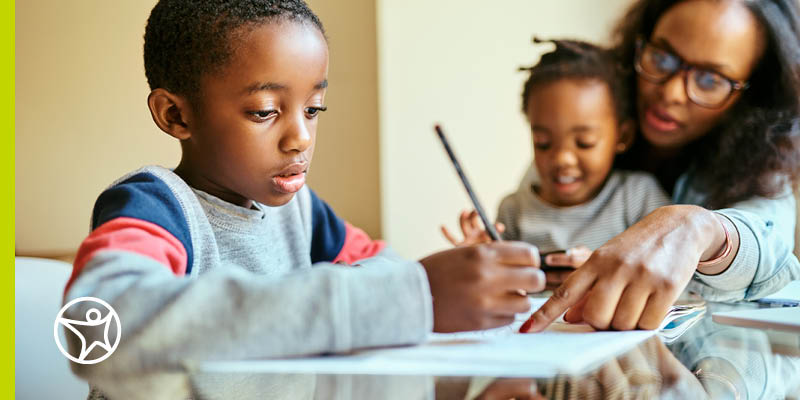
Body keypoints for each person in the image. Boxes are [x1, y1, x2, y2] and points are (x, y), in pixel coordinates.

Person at [63, 0, 546, 388]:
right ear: (176, 116)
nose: (301, 138)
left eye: (314, 109)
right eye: (264, 111)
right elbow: (100, 322)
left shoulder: (302, 212)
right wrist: (400, 299)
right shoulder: (156, 207)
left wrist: (434, 286)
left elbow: (381, 266)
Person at [521, 0, 800, 333]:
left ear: (753, 96)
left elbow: (774, 256)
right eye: (662, 57)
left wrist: (702, 229)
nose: (670, 93)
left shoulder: (764, 166)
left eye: (709, 80)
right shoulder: (584, 128)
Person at [441, 39, 669, 285]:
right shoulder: (514, 211)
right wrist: (480, 261)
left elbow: (671, 270)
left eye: (584, 142)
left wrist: (607, 272)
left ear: (622, 136)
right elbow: (501, 289)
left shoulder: (637, 197)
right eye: (543, 143)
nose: (562, 159)